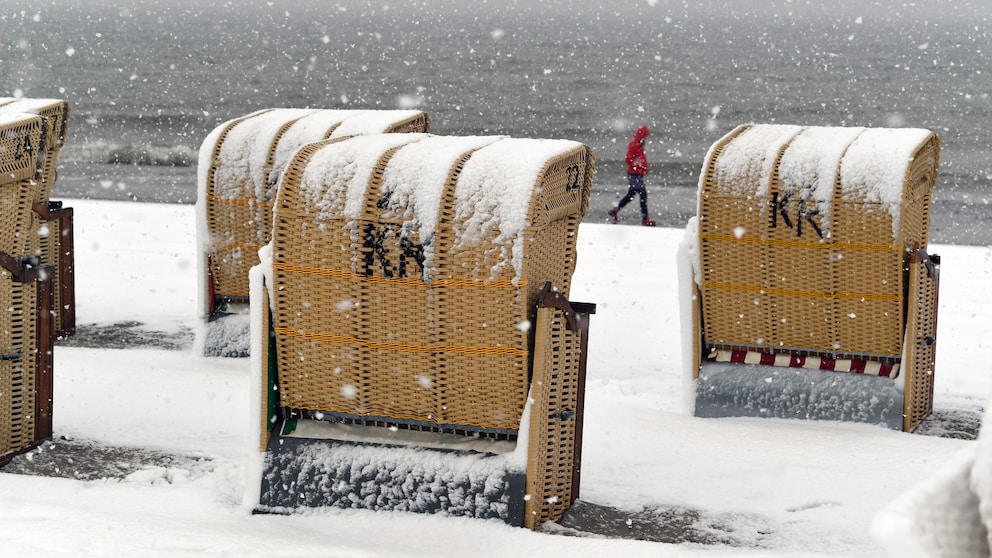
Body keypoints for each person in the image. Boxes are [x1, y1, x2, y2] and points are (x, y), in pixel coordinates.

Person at [609, 125, 656, 226]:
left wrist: (642, 169)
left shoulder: (638, 145)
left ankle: (615, 211)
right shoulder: (634, 145)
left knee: (630, 195)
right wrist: (638, 167)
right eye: (645, 137)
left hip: (636, 174)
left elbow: (637, 159)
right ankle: (645, 219)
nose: (646, 139)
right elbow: (628, 159)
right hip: (634, 175)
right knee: (643, 195)